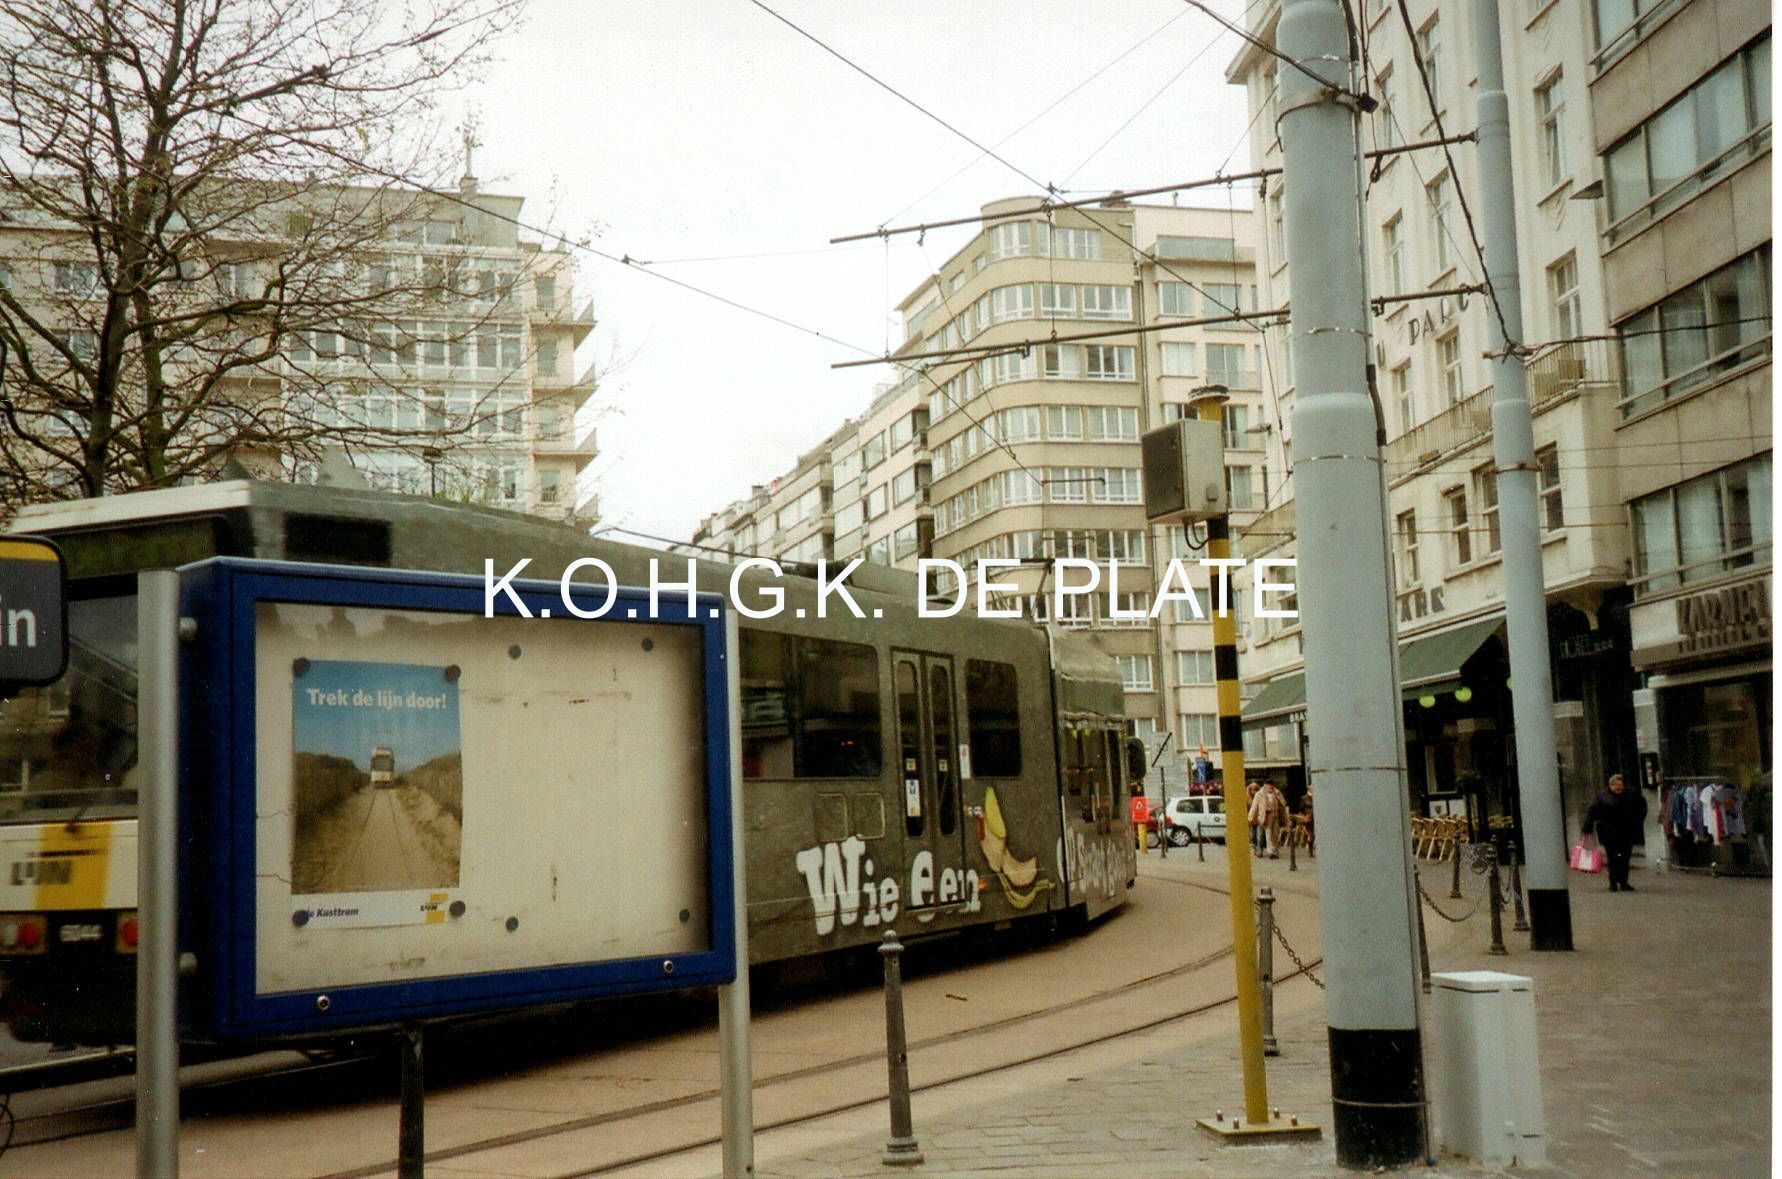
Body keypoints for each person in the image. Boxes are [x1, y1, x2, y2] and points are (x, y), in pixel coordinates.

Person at [1583, 773, 1648, 892]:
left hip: (1626, 831)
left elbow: (1642, 807)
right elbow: (1592, 811)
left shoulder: (1631, 794)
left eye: (1620, 785)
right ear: (1610, 785)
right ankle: (1613, 883)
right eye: (1615, 785)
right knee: (1612, 857)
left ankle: (1623, 882)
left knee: (1625, 857)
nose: (1618, 787)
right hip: (1608, 832)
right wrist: (1587, 826)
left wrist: (1637, 821)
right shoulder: (1601, 796)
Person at [1248, 780, 1287, 858]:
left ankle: (1275, 851)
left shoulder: (1277, 793)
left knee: (1275, 834)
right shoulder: (1259, 794)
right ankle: (1270, 852)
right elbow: (1254, 806)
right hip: (1266, 816)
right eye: (1269, 785)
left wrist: (1278, 798)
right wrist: (1250, 817)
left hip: (1276, 815)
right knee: (1268, 833)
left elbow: (1283, 803)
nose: (1270, 787)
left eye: (1272, 785)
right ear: (1265, 785)